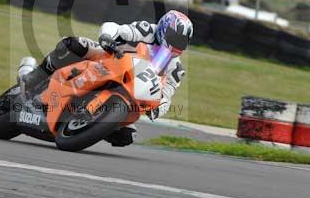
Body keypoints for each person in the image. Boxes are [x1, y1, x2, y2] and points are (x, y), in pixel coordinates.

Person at [18, 10, 194, 147]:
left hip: (132, 92)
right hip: (110, 59)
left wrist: (157, 109)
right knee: (75, 45)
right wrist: (107, 37)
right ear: (164, 28)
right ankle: (35, 76)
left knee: (126, 136)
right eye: (175, 37)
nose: (177, 43)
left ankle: (89, 127)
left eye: (182, 41)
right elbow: (117, 28)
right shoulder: (147, 30)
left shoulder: (176, 68)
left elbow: (167, 95)